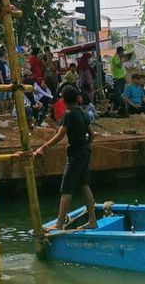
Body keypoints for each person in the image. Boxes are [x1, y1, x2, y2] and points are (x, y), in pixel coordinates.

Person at [33, 85, 97, 231]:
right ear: (76, 98)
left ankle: (59, 223)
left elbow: (60, 135)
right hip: (85, 151)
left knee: (67, 188)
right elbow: (92, 135)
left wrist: (43, 147)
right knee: (84, 184)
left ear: (63, 99)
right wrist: (86, 145)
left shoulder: (68, 114)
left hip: (75, 154)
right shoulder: (83, 113)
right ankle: (92, 220)